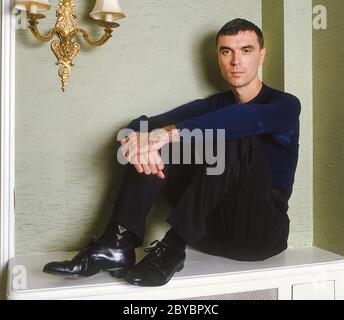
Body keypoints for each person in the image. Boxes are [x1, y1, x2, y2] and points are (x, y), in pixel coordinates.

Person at [43, 18, 301, 287]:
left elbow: (251, 121)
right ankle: (116, 244)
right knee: (156, 141)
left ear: (261, 55)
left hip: (259, 236)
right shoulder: (214, 105)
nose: (236, 60)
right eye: (227, 51)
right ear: (219, 57)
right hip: (209, 235)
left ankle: (171, 249)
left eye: (246, 50)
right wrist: (138, 140)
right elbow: (142, 124)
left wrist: (164, 134)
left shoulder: (285, 105)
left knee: (232, 134)